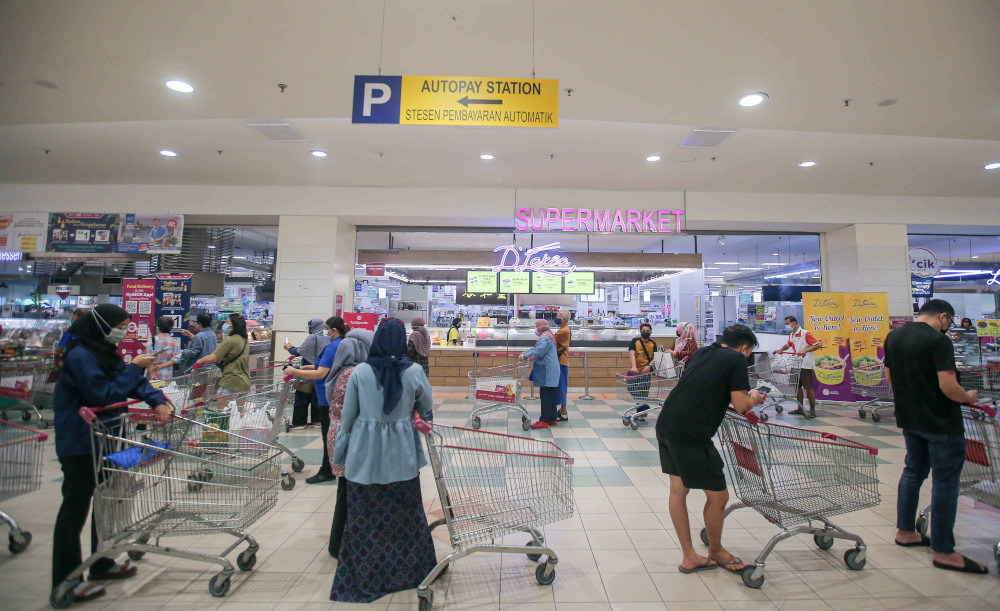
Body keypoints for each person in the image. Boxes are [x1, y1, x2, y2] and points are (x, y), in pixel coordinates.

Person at [51, 305, 170, 604]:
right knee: (75, 511)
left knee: (105, 507)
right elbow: (102, 393)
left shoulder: (104, 350)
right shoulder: (80, 356)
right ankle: (66, 581)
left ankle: (102, 563)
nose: (123, 331)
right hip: (80, 443)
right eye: (120, 326)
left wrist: (156, 400)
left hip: (106, 440)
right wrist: (135, 367)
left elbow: (134, 383)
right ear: (102, 325)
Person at [330, 319, 436, 603]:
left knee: (365, 520)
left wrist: (339, 454)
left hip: (364, 456)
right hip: (401, 455)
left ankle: (369, 574)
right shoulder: (413, 371)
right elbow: (427, 407)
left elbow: (347, 418)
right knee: (406, 516)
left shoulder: (360, 373)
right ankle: (409, 573)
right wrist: (420, 418)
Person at [655, 324, 766, 576]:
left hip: (668, 422)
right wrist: (756, 398)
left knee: (678, 490)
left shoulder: (703, 352)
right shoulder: (737, 359)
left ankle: (690, 556)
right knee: (718, 497)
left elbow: (703, 388)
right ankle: (715, 550)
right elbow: (741, 405)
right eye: (748, 354)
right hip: (691, 431)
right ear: (745, 348)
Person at [886, 299, 988, 574]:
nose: (948, 327)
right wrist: (966, 397)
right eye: (950, 322)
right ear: (944, 316)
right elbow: (947, 385)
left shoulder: (894, 336)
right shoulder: (938, 341)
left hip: (910, 418)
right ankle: (944, 551)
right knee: (945, 484)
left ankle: (905, 532)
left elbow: (890, 375)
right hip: (941, 422)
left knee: (912, 473)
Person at [323, 327, 374, 558]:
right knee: (349, 493)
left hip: (340, 436)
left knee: (345, 491)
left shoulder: (339, 371)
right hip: (351, 439)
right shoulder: (354, 374)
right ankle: (340, 545)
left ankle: (338, 543)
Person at [285, 316, 348, 483]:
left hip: (327, 396)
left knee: (328, 435)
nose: (325, 332)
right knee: (330, 434)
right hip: (332, 395)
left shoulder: (332, 346)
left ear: (333, 330)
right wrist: (303, 367)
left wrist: (294, 371)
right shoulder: (341, 344)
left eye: (327, 328)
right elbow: (323, 366)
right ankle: (333, 467)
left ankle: (327, 470)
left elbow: (321, 373)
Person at [283, 317, 331, 428]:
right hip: (321, 369)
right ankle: (317, 420)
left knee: (302, 394)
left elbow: (299, 351)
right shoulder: (327, 337)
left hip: (307, 369)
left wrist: (288, 348)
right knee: (317, 395)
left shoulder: (313, 337)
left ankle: (300, 422)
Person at [775, 316, 822, 418]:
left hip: (805, 364)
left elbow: (818, 345)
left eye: (788, 324)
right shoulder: (792, 335)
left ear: (794, 323)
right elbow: (788, 344)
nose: (787, 326)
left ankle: (812, 410)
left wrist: (804, 351)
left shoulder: (805, 333)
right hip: (795, 364)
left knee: (808, 387)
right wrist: (781, 349)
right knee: (797, 387)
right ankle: (800, 408)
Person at [194, 313, 250, 397]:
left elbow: (212, 358)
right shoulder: (245, 341)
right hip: (245, 381)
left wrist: (200, 361)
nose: (225, 325)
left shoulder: (230, 341)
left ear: (233, 325)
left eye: (227, 322)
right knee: (239, 409)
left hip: (231, 381)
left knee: (223, 407)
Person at [522, 319, 560, 429]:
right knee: (550, 395)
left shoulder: (545, 338)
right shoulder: (549, 335)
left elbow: (538, 351)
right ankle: (552, 418)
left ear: (540, 327)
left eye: (536, 326)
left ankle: (544, 420)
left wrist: (524, 356)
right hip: (550, 370)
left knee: (546, 395)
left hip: (548, 371)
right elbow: (537, 349)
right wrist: (527, 353)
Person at [148, 316, 181, 380]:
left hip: (152, 374)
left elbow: (148, 359)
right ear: (171, 328)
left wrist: (152, 374)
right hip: (167, 375)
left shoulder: (152, 341)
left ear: (158, 327)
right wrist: (161, 366)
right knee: (166, 390)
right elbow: (176, 359)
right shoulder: (175, 342)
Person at [553, 310, 572, 421]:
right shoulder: (564, 329)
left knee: (561, 387)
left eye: (558, 316)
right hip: (561, 361)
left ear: (564, 320)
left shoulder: (563, 331)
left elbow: (551, 339)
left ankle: (563, 411)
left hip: (561, 362)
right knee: (560, 386)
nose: (556, 317)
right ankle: (561, 410)